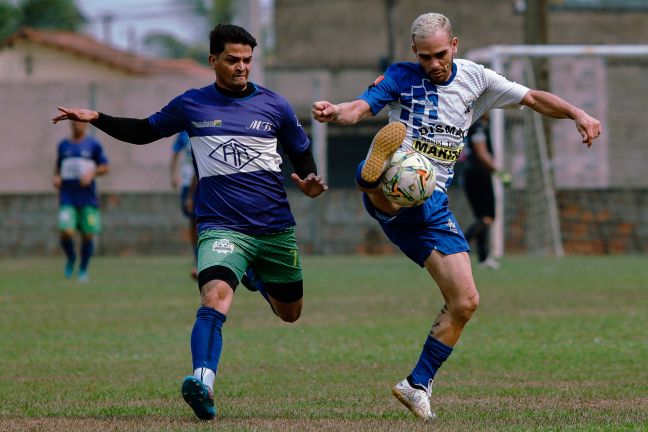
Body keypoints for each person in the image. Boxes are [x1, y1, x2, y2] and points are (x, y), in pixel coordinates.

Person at [312, 12, 600, 421]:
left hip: (436, 202)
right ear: (415, 52)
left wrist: (579, 114)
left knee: (465, 301)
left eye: (440, 54)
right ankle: (373, 178)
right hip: (408, 182)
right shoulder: (400, 76)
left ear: (455, 46)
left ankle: (416, 384)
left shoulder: (476, 78)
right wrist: (334, 110)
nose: (433, 63)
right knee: (405, 185)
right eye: (425, 56)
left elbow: (533, 98)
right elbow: (360, 108)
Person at [52, 23, 328, 421]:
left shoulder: (276, 106)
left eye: (247, 60)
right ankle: (202, 382)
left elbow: (302, 157)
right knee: (214, 296)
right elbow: (146, 131)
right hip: (220, 225)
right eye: (232, 59)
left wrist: (310, 182)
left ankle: (255, 277)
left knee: (290, 313)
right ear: (213, 60)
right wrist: (97, 117)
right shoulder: (191, 105)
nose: (241, 67)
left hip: (273, 228)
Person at [53, 120, 109, 282]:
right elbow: (57, 167)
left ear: (86, 125)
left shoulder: (94, 145)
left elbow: (105, 166)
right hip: (67, 197)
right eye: (74, 122)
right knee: (66, 231)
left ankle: (83, 268)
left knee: (88, 235)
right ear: (70, 124)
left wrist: (91, 173)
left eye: (80, 122)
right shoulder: (63, 145)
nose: (77, 125)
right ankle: (71, 258)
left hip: (87, 198)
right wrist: (56, 177)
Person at [462, 113, 511, 270]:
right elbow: (482, 153)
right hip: (479, 174)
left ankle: (483, 258)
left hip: (471, 173)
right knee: (488, 217)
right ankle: (459, 246)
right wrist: (499, 172)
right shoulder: (478, 127)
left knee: (481, 218)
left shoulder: (472, 126)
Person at [170, 130, 199, 279]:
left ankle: (201, 262)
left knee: (200, 221)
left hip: (203, 181)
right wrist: (173, 175)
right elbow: (175, 154)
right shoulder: (182, 134)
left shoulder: (204, 126)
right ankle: (197, 259)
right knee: (193, 222)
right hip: (188, 182)